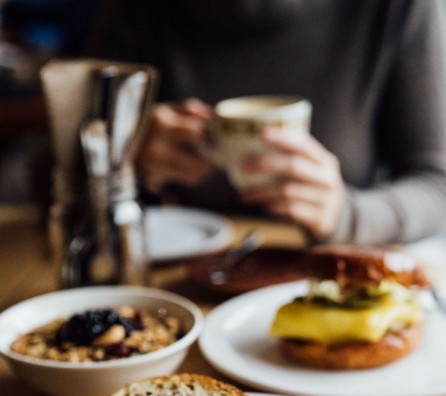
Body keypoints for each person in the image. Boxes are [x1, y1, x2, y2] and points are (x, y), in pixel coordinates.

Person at [87, 0, 446, 244]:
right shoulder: (136, 11)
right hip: (174, 280)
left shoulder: (398, 8)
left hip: (332, 266)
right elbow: (54, 170)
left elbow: (438, 186)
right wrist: (122, 155)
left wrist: (346, 214)